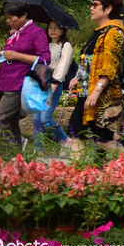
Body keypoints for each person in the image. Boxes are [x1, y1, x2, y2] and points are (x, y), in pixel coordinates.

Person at [67, 0, 124, 158]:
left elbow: (110, 65)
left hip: (101, 95)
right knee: (79, 130)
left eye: (95, 5)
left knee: (101, 136)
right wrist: (78, 77)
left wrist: (96, 91)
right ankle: (77, 169)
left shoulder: (114, 32)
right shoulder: (99, 31)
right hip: (86, 91)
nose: (91, 8)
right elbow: (90, 60)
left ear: (108, 9)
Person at [0, 0, 51, 146]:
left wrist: (17, 56)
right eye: (6, 18)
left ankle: (5, 155)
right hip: (5, 82)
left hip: (19, 83)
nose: (8, 21)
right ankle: (16, 157)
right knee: (11, 123)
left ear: (23, 15)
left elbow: (45, 59)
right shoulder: (16, 34)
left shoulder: (36, 33)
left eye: (11, 18)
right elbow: (9, 56)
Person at [31, 20, 73, 152]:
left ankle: (65, 139)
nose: (53, 30)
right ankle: (39, 150)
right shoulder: (43, 44)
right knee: (36, 119)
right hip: (39, 84)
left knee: (45, 118)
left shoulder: (65, 46)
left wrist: (55, 82)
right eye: (50, 27)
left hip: (53, 84)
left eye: (57, 28)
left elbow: (63, 66)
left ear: (63, 30)